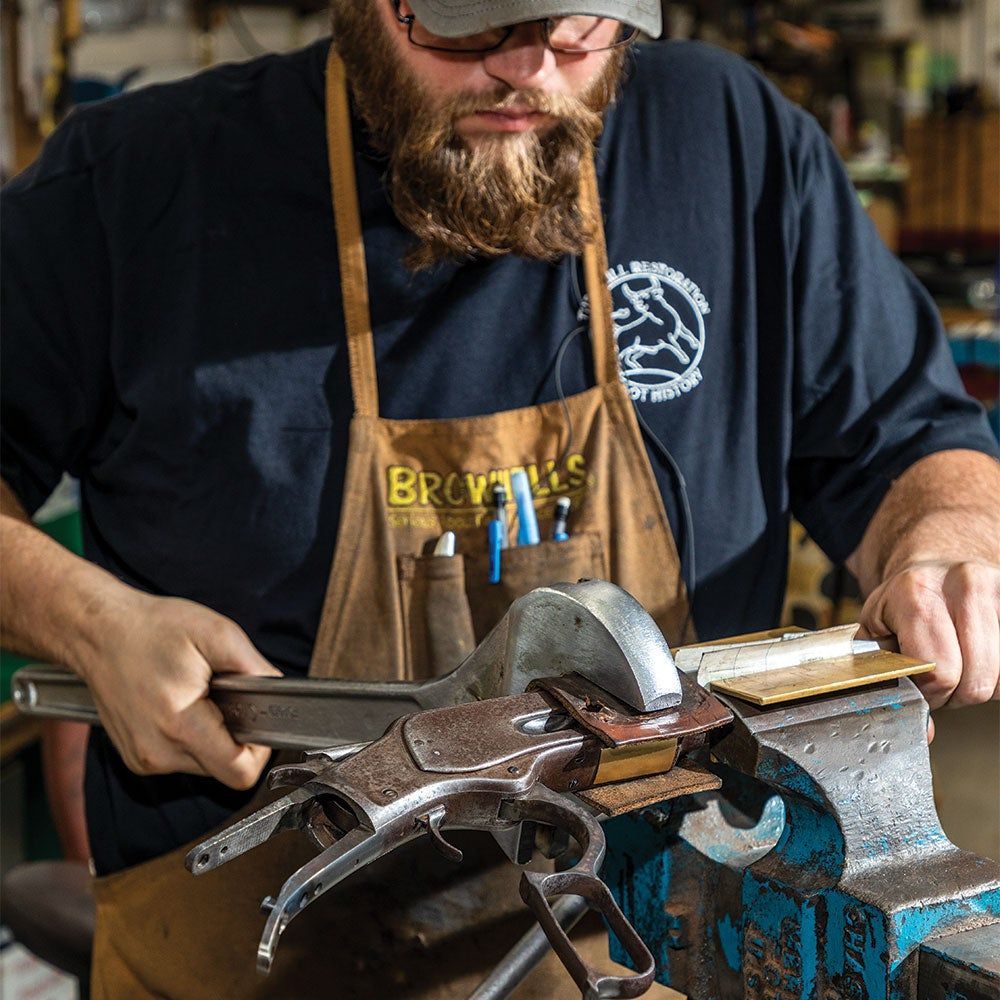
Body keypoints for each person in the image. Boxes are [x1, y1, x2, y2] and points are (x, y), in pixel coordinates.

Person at [2, 0, 998, 995]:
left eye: (575, 28)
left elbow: (909, 438)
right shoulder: (136, 184)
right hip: (256, 961)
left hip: (660, 956)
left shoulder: (732, 143)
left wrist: (947, 532)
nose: (530, 70)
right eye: (463, 28)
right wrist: (91, 622)